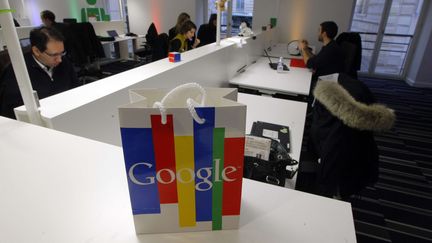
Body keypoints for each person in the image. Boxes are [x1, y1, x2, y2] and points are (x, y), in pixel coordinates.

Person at [307, 73, 395, 200]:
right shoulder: (358, 99)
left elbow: (330, 154)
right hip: (351, 167)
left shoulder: (337, 128)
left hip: (336, 174)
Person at [0, 27, 80, 119]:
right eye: (54, 55)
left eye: (62, 53)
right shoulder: (18, 71)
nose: (60, 59)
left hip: (65, 113)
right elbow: (11, 111)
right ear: (36, 51)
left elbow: (75, 89)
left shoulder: (64, 62)